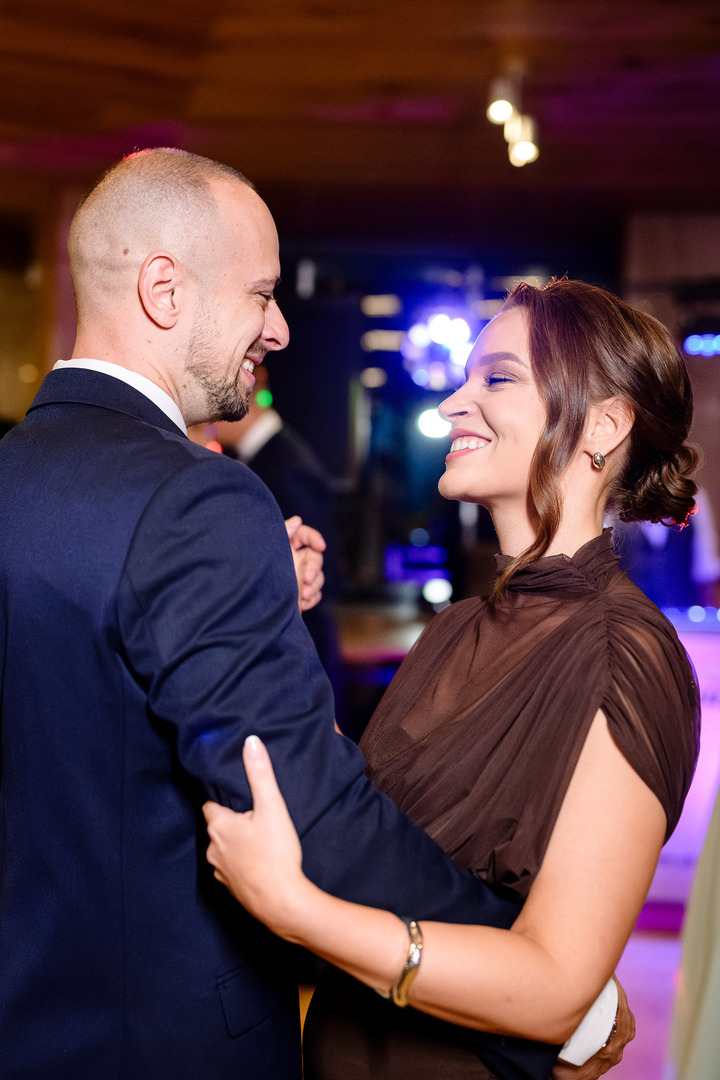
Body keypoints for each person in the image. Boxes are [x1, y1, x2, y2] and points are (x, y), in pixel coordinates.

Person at [0, 151, 620, 1080]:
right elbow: (304, 806)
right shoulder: (194, 501)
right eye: (261, 294)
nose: (281, 329)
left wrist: (246, 602)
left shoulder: (18, 476)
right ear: (165, 290)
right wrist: (541, 985)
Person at [203, 279, 701, 1079]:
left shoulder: (625, 655)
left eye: (497, 379)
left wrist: (301, 913)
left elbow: (555, 989)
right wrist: (272, 616)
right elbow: (362, 818)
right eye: (466, 378)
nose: (452, 406)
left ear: (603, 425)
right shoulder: (463, 624)